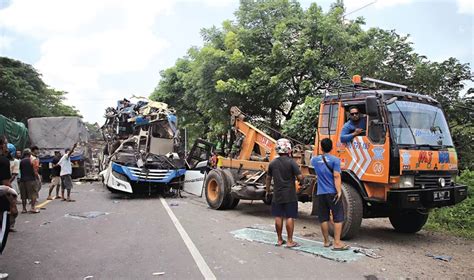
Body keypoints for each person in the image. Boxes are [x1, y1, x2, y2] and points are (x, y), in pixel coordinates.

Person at [311, 138, 349, 250]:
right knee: (338, 217)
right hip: (332, 192)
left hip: (321, 192)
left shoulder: (315, 160)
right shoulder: (335, 160)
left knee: (323, 217)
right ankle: (337, 242)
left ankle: (326, 241)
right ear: (332, 147)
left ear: (321, 148)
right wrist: (339, 191)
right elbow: (336, 176)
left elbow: (314, 165)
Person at [265, 138, 303, 248]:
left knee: (278, 216)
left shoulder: (272, 163)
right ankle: (290, 241)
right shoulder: (292, 163)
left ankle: (279, 239)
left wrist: (268, 191)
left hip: (277, 194)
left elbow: (268, 178)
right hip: (290, 194)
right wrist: (302, 181)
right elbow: (300, 177)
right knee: (290, 216)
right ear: (289, 149)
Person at [19, 149, 40, 213]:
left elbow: (20, 170)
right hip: (31, 179)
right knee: (34, 193)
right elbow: (35, 171)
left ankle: (24, 209)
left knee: (23, 195)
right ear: (29, 154)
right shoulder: (33, 160)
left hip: (22, 180)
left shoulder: (21, 161)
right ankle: (32, 208)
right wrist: (37, 178)